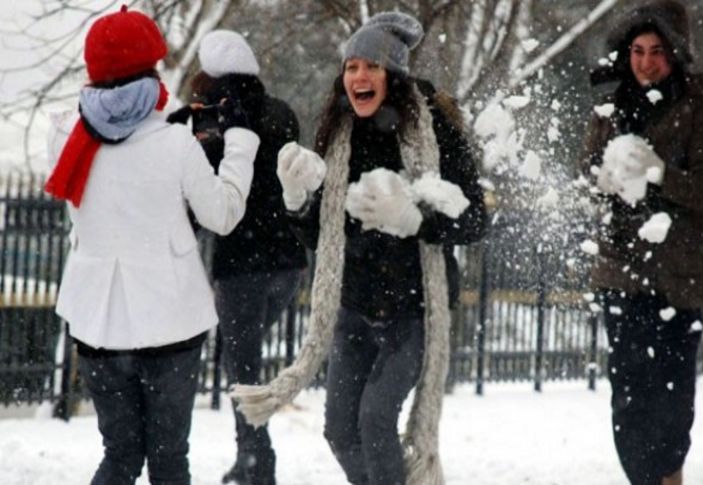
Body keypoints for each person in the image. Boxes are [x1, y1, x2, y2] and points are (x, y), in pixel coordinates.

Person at [232, 11, 487, 485]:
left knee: (374, 420)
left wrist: (416, 221)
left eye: (371, 65)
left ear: (393, 75)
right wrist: (295, 200)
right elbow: (322, 237)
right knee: (339, 429)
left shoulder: (435, 134)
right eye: (352, 67)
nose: (360, 76)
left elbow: (475, 220)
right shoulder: (339, 134)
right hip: (354, 307)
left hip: (414, 312)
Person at [45, 7, 259, 485]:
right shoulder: (174, 142)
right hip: (171, 324)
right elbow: (222, 215)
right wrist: (240, 142)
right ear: (151, 69)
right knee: (168, 461)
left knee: (119, 457)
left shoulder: (65, 137)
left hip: (98, 323)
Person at [578, 2, 703, 484]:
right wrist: (605, 176)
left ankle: (668, 475)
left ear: (676, 54)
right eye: (638, 51)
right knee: (627, 393)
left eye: (657, 51)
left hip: (682, 280)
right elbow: (587, 172)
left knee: (672, 395)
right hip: (621, 271)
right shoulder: (610, 107)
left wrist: (659, 173)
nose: (645, 62)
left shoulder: (700, 111)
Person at [167, 29, 304, 485]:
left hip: (241, 264)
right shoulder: (282, 112)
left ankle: (256, 460)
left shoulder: (215, 120)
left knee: (241, 364)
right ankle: (252, 453)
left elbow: (206, 194)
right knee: (244, 358)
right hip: (289, 261)